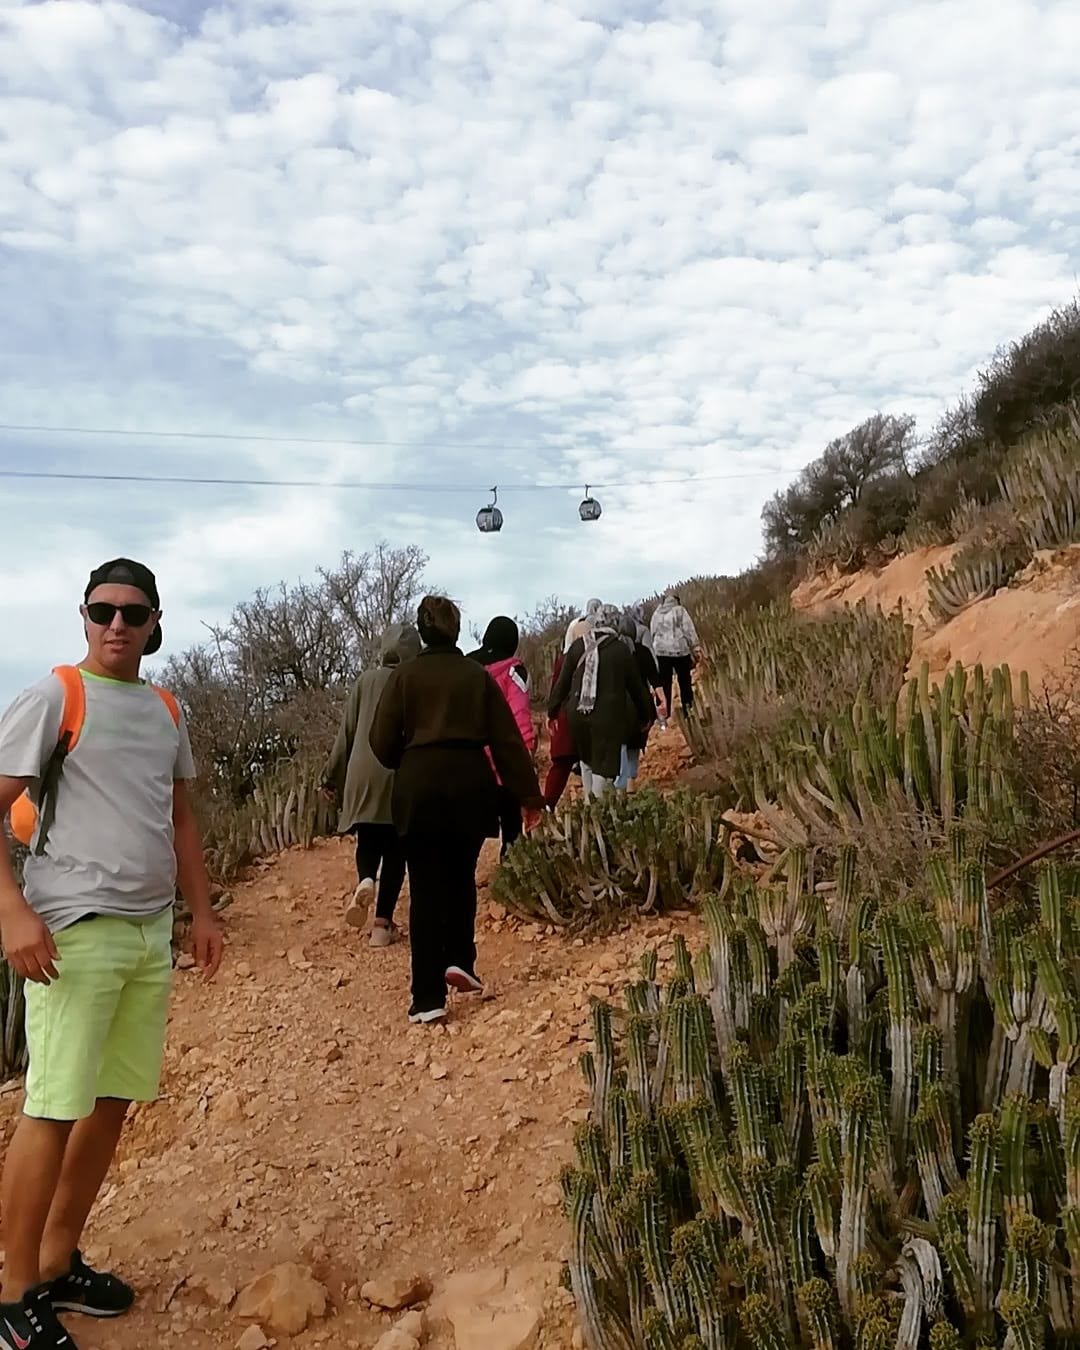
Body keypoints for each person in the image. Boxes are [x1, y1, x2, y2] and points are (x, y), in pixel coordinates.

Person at [0, 558, 223, 1349]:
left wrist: (201, 914)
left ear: (155, 622)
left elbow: (181, 817)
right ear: (85, 617)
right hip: (72, 933)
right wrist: (12, 912)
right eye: (103, 611)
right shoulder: (58, 695)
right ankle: (13, 1290)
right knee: (53, 1106)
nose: (117, 625)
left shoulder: (166, 707)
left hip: (145, 931)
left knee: (109, 1103)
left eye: (133, 613)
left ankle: (57, 1262)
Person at [370, 596, 544, 1025]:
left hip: (419, 787)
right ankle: (461, 959)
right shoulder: (476, 676)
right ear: (456, 628)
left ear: (421, 629)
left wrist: (407, 760)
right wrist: (529, 797)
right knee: (461, 877)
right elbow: (506, 741)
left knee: (426, 888)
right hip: (470, 784)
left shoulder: (404, 677)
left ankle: (427, 998)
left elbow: (380, 741)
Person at [323, 623, 421, 947]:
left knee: (368, 837)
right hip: (399, 771)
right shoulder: (412, 682)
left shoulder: (365, 681)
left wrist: (330, 777)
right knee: (396, 848)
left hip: (361, 771)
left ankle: (366, 878)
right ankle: (381, 925)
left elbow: (346, 733)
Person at [548, 604, 652, 799]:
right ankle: (596, 812)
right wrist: (645, 715)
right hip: (607, 717)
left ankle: (589, 805)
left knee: (587, 761)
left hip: (577, 715)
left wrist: (552, 712)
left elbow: (562, 684)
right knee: (603, 768)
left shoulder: (578, 645)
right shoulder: (620, 649)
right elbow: (636, 688)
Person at [467, 617, 536, 857]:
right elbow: (519, 717)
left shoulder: (466, 666)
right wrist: (525, 758)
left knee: (470, 832)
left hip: (468, 761)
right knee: (511, 826)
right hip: (503, 761)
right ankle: (511, 872)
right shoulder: (514, 671)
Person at [615, 612, 667, 791]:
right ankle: (631, 784)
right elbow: (655, 679)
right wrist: (662, 700)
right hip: (640, 708)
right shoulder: (643, 652)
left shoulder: (614, 653)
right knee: (634, 745)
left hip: (619, 707)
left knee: (620, 745)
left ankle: (620, 788)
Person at [650, 591, 703, 714]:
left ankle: (665, 712)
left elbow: (652, 631)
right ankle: (688, 709)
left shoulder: (657, 613)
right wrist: (695, 648)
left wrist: (657, 646)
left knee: (664, 683)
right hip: (680, 651)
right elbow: (689, 630)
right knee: (684, 681)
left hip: (661, 652)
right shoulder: (680, 611)